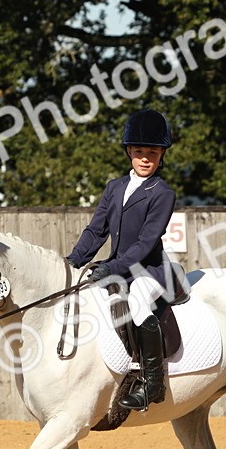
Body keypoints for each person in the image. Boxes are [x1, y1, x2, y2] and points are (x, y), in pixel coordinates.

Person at [67, 108, 184, 412]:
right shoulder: (114, 187)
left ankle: (152, 383)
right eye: (140, 151)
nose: (146, 158)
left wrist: (112, 268)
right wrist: (73, 263)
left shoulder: (163, 193)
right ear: (129, 151)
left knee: (139, 302)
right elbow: (96, 231)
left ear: (162, 155)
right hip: (117, 268)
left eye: (153, 152)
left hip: (149, 270)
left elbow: (146, 243)